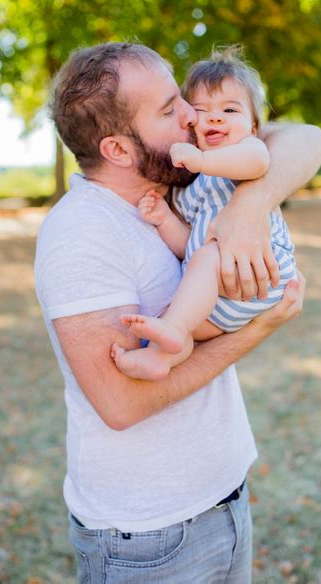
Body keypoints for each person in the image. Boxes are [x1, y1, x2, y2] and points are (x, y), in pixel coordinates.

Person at [35, 42, 321, 583]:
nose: (195, 116)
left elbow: (309, 139)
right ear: (119, 149)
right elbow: (120, 403)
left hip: (225, 501)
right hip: (148, 539)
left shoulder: (184, 182)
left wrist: (250, 205)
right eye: (171, 109)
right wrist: (258, 328)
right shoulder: (81, 236)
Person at [111, 47, 297, 381]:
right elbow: (190, 247)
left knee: (192, 288)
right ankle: (160, 359)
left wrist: (202, 162)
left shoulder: (246, 151)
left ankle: (172, 328)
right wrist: (165, 220)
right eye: (201, 111)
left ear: (253, 126)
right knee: (178, 319)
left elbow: (259, 164)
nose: (214, 118)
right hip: (218, 293)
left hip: (263, 271)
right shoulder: (188, 187)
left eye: (229, 109)